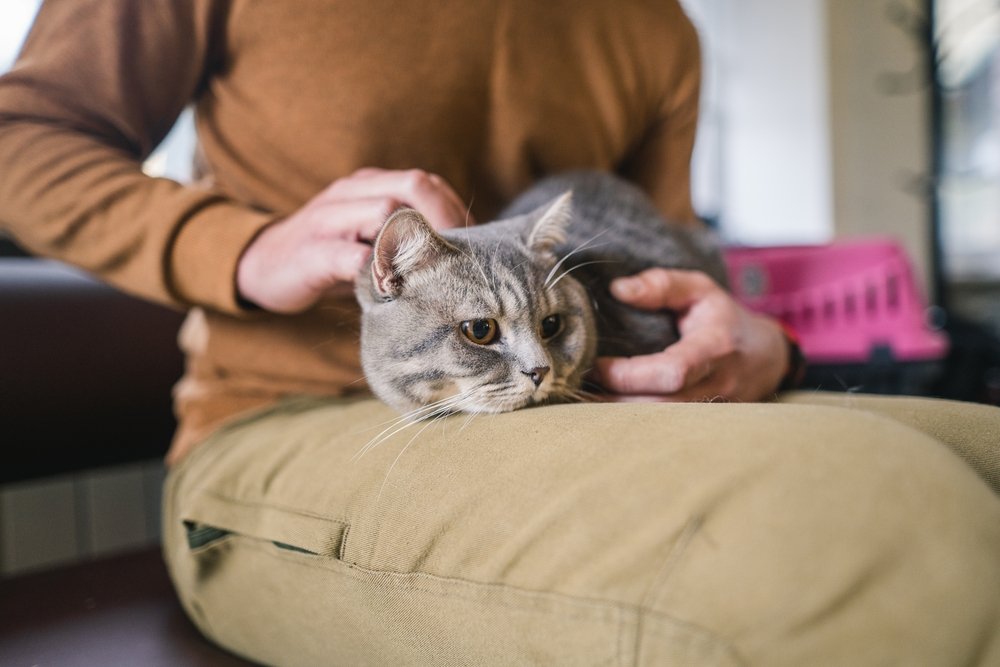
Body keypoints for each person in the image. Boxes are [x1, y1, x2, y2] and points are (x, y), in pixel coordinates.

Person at [1, 1, 997, 664]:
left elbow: (667, 259)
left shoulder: (655, 26)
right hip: (306, 417)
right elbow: (20, 140)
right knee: (888, 515)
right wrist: (244, 246)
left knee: (981, 455)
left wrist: (764, 338)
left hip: (582, 394)